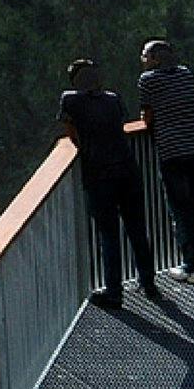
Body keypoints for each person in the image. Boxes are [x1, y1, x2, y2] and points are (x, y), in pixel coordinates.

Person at [56, 59, 158, 310]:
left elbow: (72, 133)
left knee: (109, 235)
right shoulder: (113, 99)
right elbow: (118, 126)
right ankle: (148, 283)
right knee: (137, 229)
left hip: (99, 175)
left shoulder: (70, 100)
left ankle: (114, 293)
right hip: (127, 169)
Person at [138, 39, 194, 283]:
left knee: (180, 209)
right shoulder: (185, 73)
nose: (142, 60)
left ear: (155, 59)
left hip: (173, 152)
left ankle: (192, 265)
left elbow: (148, 117)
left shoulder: (147, 80)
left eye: (144, 55)